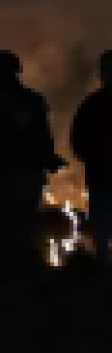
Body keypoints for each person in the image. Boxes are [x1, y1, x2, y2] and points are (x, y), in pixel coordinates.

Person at [0, 50, 64, 282]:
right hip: (14, 172)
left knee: (13, 225)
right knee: (14, 225)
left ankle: (17, 274)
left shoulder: (14, 103)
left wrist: (46, 158)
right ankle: (17, 274)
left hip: (17, 172)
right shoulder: (2, 102)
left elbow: (39, 137)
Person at [71, 50, 112, 269]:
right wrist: (94, 159)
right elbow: (79, 139)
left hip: (99, 172)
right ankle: (103, 262)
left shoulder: (92, 104)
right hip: (101, 174)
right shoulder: (92, 105)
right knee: (102, 218)